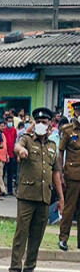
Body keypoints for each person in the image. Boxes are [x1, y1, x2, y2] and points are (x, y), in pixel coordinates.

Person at [9, 107, 63, 272]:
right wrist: (20, 151)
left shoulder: (52, 146)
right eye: (37, 122)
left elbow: (56, 173)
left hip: (44, 198)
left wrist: (61, 198)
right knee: (21, 235)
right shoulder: (26, 139)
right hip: (26, 196)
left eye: (44, 122)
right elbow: (17, 146)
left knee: (37, 236)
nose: (40, 125)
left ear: (49, 126)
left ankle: (29, 271)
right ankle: (15, 271)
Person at [58, 103, 80, 251]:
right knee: (69, 209)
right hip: (72, 175)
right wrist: (60, 175)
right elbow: (60, 153)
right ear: (76, 112)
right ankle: (63, 238)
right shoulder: (67, 130)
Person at [2, 114, 19, 196]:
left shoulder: (14, 130)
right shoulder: (4, 130)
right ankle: (1, 189)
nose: (10, 123)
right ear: (6, 122)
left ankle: (10, 190)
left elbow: (15, 140)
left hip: (12, 154)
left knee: (10, 173)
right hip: (5, 154)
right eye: (9, 121)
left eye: (11, 121)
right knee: (2, 172)